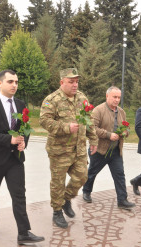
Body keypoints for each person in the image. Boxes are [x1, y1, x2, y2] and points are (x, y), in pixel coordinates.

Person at [0, 70, 44, 244]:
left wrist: (24, 142)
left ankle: (23, 233)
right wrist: (9, 139)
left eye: (16, 82)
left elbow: (25, 128)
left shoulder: (21, 105)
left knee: (19, 195)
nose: (14, 85)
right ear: (0, 83)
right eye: (10, 81)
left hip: (15, 159)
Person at [39, 68, 98, 228]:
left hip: (78, 149)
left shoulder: (82, 97)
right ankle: (57, 212)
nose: (75, 85)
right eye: (71, 81)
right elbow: (44, 121)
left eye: (77, 81)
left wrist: (93, 138)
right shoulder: (52, 100)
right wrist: (65, 127)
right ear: (62, 82)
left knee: (82, 176)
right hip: (59, 150)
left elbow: (89, 118)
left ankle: (65, 200)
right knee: (58, 182)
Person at [82, 86, 135, 210]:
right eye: (114, 97)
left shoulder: (121, 112)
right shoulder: (98, 110)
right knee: (92, 172)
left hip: (116, 150)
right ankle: (86, 191)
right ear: (107, 96)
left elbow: (126, 127)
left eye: (119, 97)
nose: (117, 100)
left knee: (120, 175)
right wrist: (108, 135)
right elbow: (91, 128)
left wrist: (125, 132)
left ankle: (122, 200)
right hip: (100, 150)